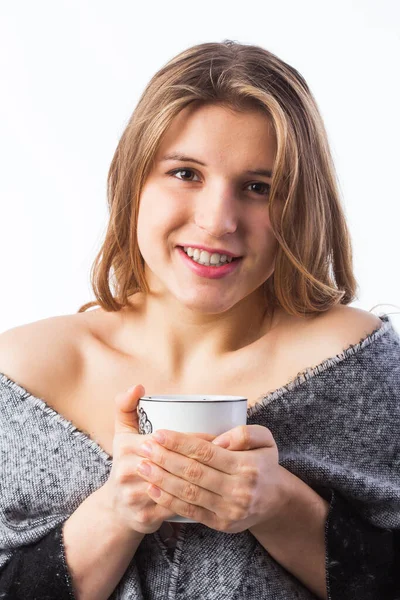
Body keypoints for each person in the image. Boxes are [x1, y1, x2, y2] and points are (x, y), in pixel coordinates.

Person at [0, 39, 399, 600]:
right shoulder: (22, 375)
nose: (217, 221)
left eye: (260, 188)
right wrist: (114, 514)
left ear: (302, 206)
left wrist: (281, 505)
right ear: (132, 182)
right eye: (186, 174)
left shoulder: (353, 362)